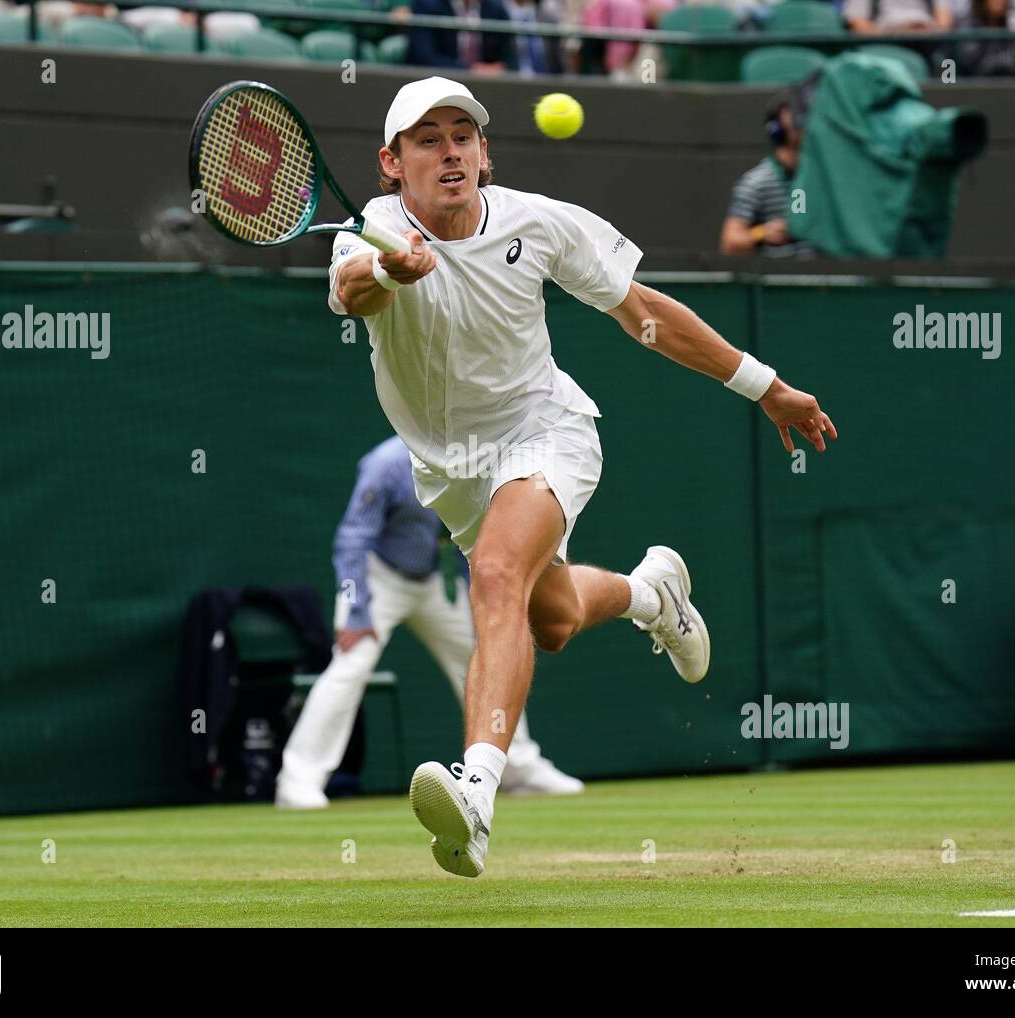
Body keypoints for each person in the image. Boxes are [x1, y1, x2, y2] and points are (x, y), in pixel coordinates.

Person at [328, 76, 837, 877]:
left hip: (545, 432)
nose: (450, 150)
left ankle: (478, 793)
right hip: (452, 471)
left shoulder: (540, 223)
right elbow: (353, 291)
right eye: (427, 139)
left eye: (464, 134)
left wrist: (766, 387)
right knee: (552, 619)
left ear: (486, 154)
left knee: (497, 575)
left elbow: (646, 316)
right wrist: (396, 272)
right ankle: (650, 595)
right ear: (392, 164)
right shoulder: (368, 234)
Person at [275, 435, 584, 809]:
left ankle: (517, 766)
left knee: (486, 653)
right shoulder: (384, 464)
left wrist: (484, 606)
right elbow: (352, 540)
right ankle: (298, 780)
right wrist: (356, 611)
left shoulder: (471, 458)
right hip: (376, 578)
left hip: (431, 580)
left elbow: (474, 539)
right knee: (350, 665)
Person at [720, 98, 814, 258]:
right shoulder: (756, 183)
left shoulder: (821, 180)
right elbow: (730, 241)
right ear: (776, 129)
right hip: (777, 276)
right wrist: (761, 233)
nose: (801, 122)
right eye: (794, 115)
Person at [407, 0, 512, 73]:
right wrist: (470, 69)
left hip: (488, 84)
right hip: (439, 81)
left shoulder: (496, 9)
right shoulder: (427, 5)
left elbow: (510, 58)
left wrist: (500, 68)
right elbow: (424, 57)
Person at [845, 0, 954, 33]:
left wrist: (925, 30)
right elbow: (857, 23)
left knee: (949, 67)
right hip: (886, 45)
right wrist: (894, 32)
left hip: (927, 43)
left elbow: (944, 21)